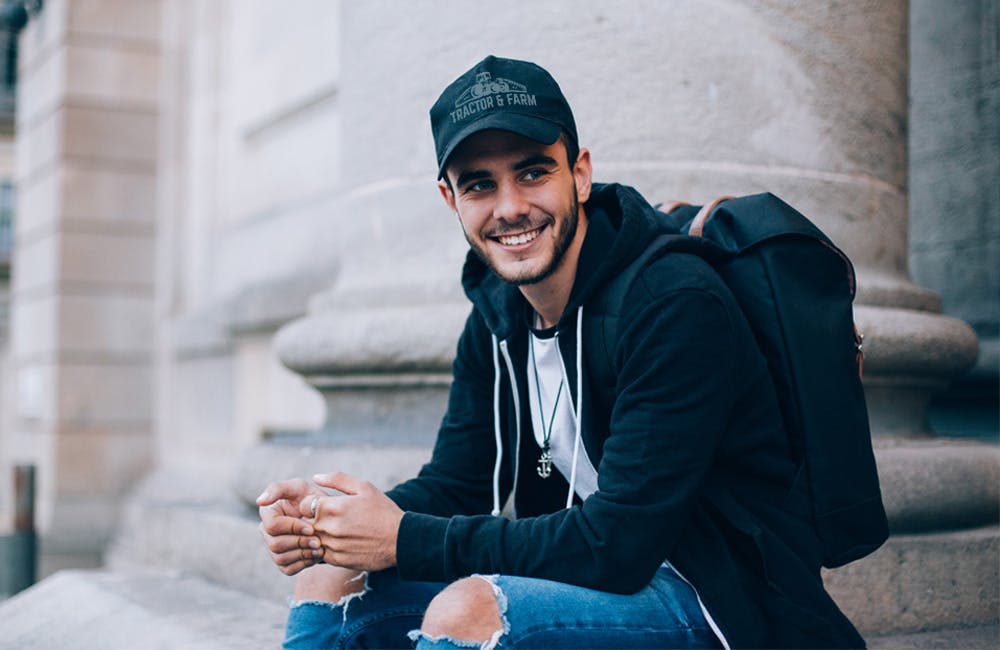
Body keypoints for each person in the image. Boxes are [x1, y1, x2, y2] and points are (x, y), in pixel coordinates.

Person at [257, 55, 866, 649]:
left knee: (470, 614)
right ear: (452, 201)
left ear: (578, 173)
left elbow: (618, 542)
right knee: (331, 578)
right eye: (479, 185)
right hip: (603, 575)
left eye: (532, 172)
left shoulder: (673, 301)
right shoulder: (498, 310)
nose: (510, 207)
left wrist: (405, 539)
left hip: (720, 599)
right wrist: (333, 525)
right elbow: (458, 482)